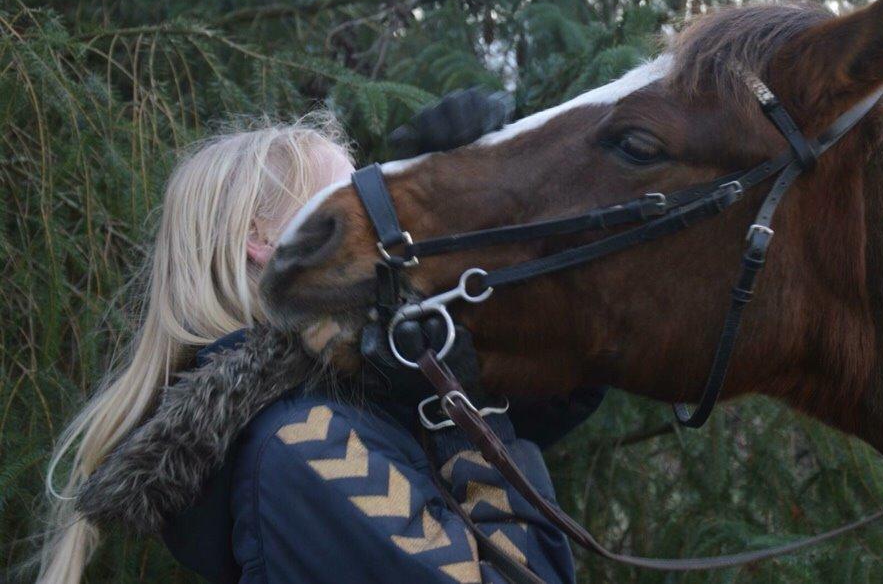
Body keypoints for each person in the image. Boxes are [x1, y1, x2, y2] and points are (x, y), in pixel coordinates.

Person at [39, 97, 598, 584]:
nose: (371, 224)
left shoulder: (346, 411)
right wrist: (453, 404)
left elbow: (540, 399)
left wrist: (491, 194)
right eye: (340, 199)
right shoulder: (305, 444)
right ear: (260, 238)